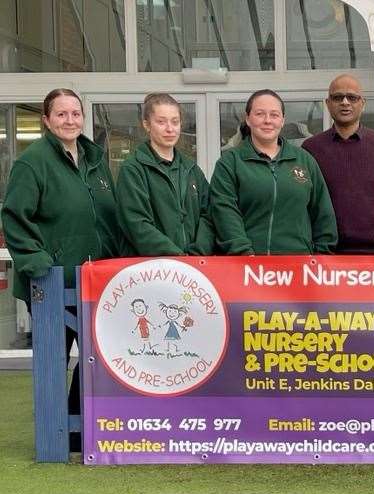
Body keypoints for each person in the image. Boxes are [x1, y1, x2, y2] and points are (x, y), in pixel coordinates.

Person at [1, 88, 124, 450]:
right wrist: (39, 262)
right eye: (61, 114)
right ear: (46, 120)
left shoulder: (95, 161)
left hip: (94, 283)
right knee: (56, 360)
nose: (70, 121)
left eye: (75, 114)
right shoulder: (33, 162)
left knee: (92, 362)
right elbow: (14, 216)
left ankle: (77, 431)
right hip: (51, 284)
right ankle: (53, 435)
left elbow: (109, 217)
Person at [210, 89, 337, 255]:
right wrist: (243, 254)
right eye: (260, 114)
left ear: (283, 120)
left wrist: (321, 257)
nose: (267, 121)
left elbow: (323, 214)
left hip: (298, 267)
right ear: (248, 119)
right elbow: (224, 213)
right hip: (246, 269)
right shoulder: (230, 163)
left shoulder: (304, 161)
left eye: (274, 115)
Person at [302, 74, 374, 254]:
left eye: (352, 97)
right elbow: (303, 205)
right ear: (328, 103)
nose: (345, 102)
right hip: (323, 255)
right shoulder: (311, 149)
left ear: (363, 103)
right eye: (338, 97)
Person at [116, 93, 215, 255]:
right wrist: (176, 257)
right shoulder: (133, 169)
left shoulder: (191, 169)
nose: (170, 129)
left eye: (175, 122)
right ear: (147, 125)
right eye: (161, 122)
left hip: (194, 269)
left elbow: (209, 215)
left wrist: (199, 252)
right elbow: (136, 223)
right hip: (151, 271)